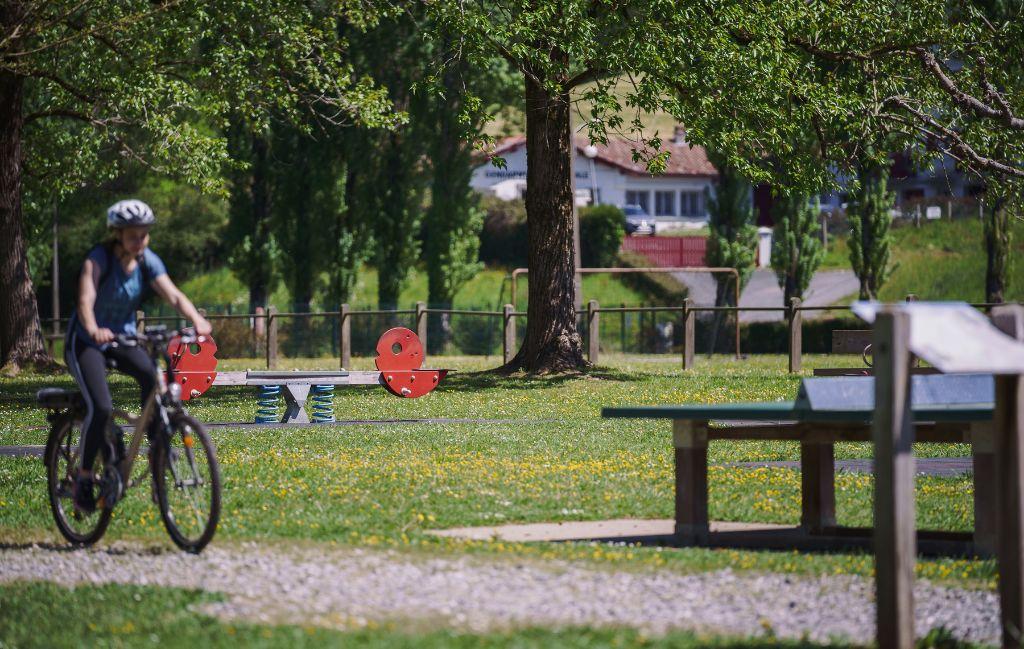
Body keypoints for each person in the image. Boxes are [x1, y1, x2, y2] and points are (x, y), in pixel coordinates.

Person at [65, 199, 212, 513]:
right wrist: (93, 328)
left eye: (144, 235)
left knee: (151, 377)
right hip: (86, 342)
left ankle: (157, 451)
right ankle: (85, 477)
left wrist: (196, 320)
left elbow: (172, 294)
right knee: (101, 407)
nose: (139, 241)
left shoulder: (147, 261)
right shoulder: (99, 259)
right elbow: (85, 300)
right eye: (133, 235)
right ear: (117, 233)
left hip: (124, 338)